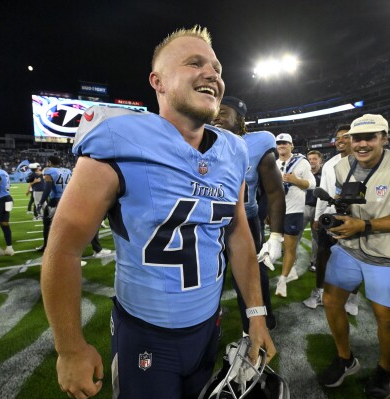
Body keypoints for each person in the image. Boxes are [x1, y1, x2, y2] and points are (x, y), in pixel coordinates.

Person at [41, 26, 275, 399]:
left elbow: (238, 235)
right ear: (158, 81)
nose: (212, 73)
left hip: (208, 325)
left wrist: (256, 315)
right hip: (144, 332)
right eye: (194, 63)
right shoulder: (119, 138)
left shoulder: (234, 150)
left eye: (216, 67)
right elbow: (63, 249)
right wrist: (69, 347)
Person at [317, 114, 390, 399]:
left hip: (387, 252)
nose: (362, 144)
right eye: (357, 138)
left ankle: (386, 368)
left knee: (386, 318)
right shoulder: (343, 165)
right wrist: (340, 219)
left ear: (384, 137)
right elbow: (348, 202)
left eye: (370, 137)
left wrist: (365, 225)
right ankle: (346, 359)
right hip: (350, 247)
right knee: (330, 300)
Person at [212, 95, 285, 333]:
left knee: (252, 272)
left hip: (245, 220)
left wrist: (276, 236)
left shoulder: (258, 142)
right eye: (214, 110)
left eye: (223, 111)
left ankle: (260, 321)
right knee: (211, 273)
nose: (216, 115)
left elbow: (274, 192)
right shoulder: (200, 138)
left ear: (239, 118)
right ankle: (209, 318)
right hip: (209, 222)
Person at [303, 125, 361, 316]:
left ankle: (352, 296)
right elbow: (323, 193)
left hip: (356, 218)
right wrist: (319, 216)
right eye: (337, 138)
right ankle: (319, 292)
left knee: (355, 258)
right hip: (330, 216)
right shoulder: (330, 164)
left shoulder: (365, 162)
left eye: (345, 136)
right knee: (323, 254)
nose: (340, 140)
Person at [274, 133, 315, 297]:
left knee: (290, 247)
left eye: (284, 143)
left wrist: (295, 180)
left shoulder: (301, 162)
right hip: (277, 210)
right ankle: (291, 271)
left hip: (294, 210)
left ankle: (282, 280)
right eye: (279, 143)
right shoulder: (274, 163)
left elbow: (312, 184)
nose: (281, 145)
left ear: (291, 145)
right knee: (283, 246)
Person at [304, 150, 323, 272]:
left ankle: (314, 261)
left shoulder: (325, 174)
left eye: (314, 159)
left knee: (316, 237)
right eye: (310, 159)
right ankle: (292, 260)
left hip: (318, 209)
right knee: (294, 234)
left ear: (320, 160)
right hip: (303, 207)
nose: (312, 161)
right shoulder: (305, 174)